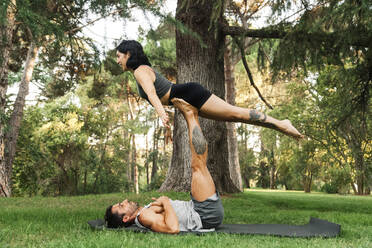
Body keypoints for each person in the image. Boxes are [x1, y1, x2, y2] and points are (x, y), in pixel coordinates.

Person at [116, 40, 304, 140]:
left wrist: (161, 114)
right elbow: (154, 94)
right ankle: (280, 125)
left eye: (119, 56)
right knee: (233, 117)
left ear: (129, 55)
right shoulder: (142, 70)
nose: (117, 61)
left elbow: (151, 93)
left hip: (188, 94)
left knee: (234, 113)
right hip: (185, 96)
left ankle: (281, 123)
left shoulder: (140, 71)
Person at [104, 98, 224, 233]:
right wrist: (165, 201)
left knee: (198, 165)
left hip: (199, 210)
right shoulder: (144, 216)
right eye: (121, 205)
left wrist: (161, 204)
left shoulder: (144, 212)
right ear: (125, 218)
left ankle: (191, 114)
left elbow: (165, 213)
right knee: (198, 166)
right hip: (203, 214)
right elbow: (172, 229)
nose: (125, 200)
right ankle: (190, 114)